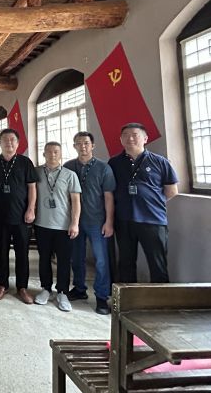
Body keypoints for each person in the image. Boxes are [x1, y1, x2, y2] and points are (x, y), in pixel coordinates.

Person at [108, 123, 178, 283]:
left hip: (153, 220)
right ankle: (128, 298)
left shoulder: (160, 162)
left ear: (145, 138)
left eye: (135, 135)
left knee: (157, 264)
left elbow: (172, 190)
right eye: (125, 135)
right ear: (121, 139)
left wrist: (151, 202)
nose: (130, 138)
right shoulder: (114, 163)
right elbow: (109, 191)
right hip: (124, 220)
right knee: (125, 263)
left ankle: (160, 298)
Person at [64, 132, 116, 315]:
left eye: (86, 143)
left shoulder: (104, 168)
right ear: (74, 146)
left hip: (97, 221)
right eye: (78, 143)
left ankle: (101, 296)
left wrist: (109, 222)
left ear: (93, 145)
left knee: (101, 260)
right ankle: (79, 288)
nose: (83, 146)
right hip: (74, 221)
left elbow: (109, 197)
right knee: (76, 257)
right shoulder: (68, 167)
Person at [0, 128, 38, 304]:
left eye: (12, 140)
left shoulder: (25, 162)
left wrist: (31, 209)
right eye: (5, 140)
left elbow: (32, 187)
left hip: (21, 216)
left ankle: (22, 287)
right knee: (0, 252)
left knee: (22, 253)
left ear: (17, 143)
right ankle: (2, 285)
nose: (9, 143)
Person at [33, 142, 81, 312]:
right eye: (49, 152)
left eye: (56, 152)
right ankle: (45, 288)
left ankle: (62, 292)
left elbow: (76, 201)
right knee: (44, 258)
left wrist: (74, 223)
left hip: (63, 226)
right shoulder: (36, 172)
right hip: (42, 224)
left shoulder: (70, 175)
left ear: (60, 154)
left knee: (64, 261)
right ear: (44, 154)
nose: (52, 154)